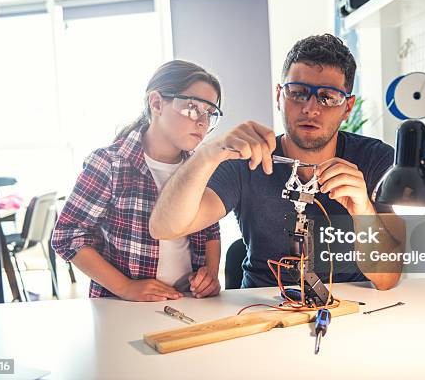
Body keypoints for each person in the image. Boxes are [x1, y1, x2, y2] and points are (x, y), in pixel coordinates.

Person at [150, 35, 403, 290]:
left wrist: (362, 212)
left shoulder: (373, 160)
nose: (310, 109)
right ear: (279, 96)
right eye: (298, 93)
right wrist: (208, 153)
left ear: (347, 108)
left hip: (350, 309)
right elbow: (166, 227)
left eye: (327, 97)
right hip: (263, 309)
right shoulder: (246, 161)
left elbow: (387, 279)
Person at [52, 60, 223, 301]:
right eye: (193, 107)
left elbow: (210, 230)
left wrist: (211, 274)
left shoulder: (200, 167)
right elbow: (67, 235)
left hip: (186, 302)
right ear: (156, 103)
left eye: (210, 113)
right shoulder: (110, 163)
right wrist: (125, 287)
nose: (203, 122)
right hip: (121, 307)